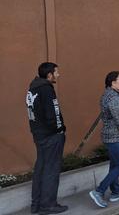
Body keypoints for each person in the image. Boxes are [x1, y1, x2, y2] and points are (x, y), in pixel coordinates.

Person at [88, 71, 119, 209]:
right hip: (114, 137)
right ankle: (99, 191)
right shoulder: (114, 98)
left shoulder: (109, 95)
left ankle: (116, 191)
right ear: (113, 83)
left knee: (115, 165)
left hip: (113, 136)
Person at [26, 62, 68, 214]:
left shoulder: (32, 88)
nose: (58, 75)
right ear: (49, 74)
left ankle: (36, 204)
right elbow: (54, 114)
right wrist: (60, 130)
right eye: (56, 72)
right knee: (51, 169)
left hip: (38, 135)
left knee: (41, 169)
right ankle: (48, 205)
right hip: (51, 136)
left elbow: (31, 114)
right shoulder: (46, 89)